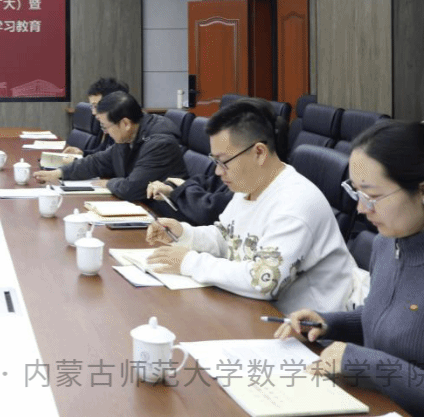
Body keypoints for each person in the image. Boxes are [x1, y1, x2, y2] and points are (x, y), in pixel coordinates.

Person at [276, 120, 424, 416]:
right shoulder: (387, 243)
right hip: (373, 403)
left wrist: (369, 363)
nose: (361, 208)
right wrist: (330, 323)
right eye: (357, 192)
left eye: (373, 196)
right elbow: (390, 317)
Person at [146, 97, 354, 315]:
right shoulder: (249, 186)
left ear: (259, 153)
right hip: (255, 309)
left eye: (223, 161)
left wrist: (190, 262)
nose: (217, 171)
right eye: (215, 161)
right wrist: (185, 234)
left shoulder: (295, 203)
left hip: (307, 324)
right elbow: (227, 237)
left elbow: (263, 281)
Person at [34, 91, 185, 202]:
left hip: (164, 217)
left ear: (125, 123)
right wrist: (59, 173)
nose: (105, 132)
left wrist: (109, 183)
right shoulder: (129, 134)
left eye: (105, 126)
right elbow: (99, 161)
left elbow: (131, 188)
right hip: (141, 206)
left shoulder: (160, 144)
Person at [146, 154, 234, 226]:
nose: (217, 171)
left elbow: (207, 212)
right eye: (216, 161)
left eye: (223, 163)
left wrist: (183, 187)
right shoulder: (225, 175)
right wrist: (172, 188)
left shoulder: (239, 190)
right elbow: (203, 182)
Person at [61, 77, 129, 156]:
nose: (93, 113)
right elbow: (102, 153)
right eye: (92, 106)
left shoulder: (128, 135)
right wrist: (82, 154)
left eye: (97, 106)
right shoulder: (111, 126)